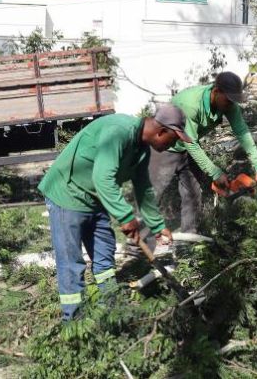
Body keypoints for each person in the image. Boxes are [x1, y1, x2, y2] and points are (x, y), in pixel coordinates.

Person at [38, 105, 192, 321]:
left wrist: (158, 227)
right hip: (67, 195)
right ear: (161, 132)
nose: (173, 145)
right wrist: (126, 216)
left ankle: (113, 313)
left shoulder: (141, 149)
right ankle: (73, 325)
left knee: (104, 259)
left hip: (95, 199)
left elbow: (143, 187)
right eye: (173, 139)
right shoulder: (119, 131)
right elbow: (103, 178)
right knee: (72, 264)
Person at [149, 71, 257, 235]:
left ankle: (188, 244)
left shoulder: (228, 104)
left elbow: (242, 132)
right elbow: (190, 143)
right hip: (162, 146)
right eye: (228, 99)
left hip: (187, 147)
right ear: (216, 91)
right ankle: (136, 244)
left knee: (193, 194)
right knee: (152, 193)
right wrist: (214, 172)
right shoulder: (191, 105)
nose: (230, 104)